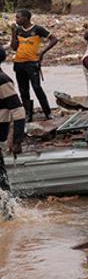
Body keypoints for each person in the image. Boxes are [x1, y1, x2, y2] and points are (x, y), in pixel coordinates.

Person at [10, 9, 58, 121]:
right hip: (19, 62)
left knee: (36, 87)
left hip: (32, 63)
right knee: (23, 89)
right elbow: (14, 47)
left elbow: (54, 39)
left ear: (26, 18)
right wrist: (13, 32)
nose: (16, 19)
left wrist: (42, 52)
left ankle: (48, 113)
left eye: (18, 17)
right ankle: (28, 114)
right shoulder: (17, 30)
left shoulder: (37, 29)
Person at [0, 48, 26, 191]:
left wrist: (17, 140)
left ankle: (8, 211)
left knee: (2, 183)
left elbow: (18, 111)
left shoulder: (2, 80)